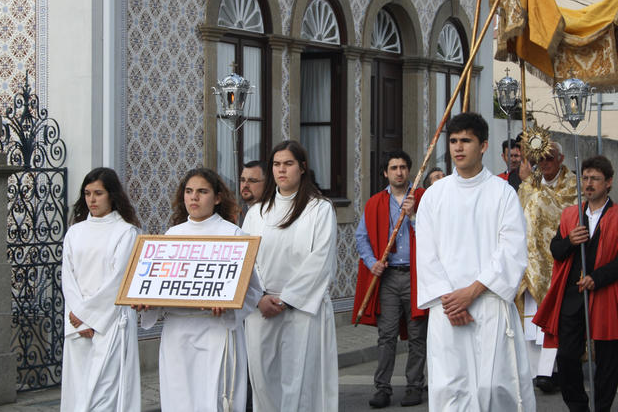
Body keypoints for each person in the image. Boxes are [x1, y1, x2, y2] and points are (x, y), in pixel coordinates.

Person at [415, 112, 535, 411]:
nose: (458, 147)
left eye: (466, 141)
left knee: (493, 386)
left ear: (483, 146)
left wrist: (471, 292)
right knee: (450, 388)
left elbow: (511, 250)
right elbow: (426, 253)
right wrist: (450, 301)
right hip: (447, 308)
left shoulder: (503, 193)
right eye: (453, 141)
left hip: (489, 302)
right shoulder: (434, 196)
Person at [534, 155, 618, 412]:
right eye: (585, 178)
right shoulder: (571, 215)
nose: (588, 183)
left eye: (595, 178)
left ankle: (602, 408)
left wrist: (598, 277)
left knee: (607, 360)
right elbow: (556, 250)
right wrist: (570, 241)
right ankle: (578, 407)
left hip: (607, 294)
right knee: (567, 356)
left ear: (608, 182)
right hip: (573, 295)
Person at [139, 167, 262, 412]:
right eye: (189, 191)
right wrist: (147, 301)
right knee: (178, 400)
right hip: (176, 333)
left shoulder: (233, 235)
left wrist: (229, 306)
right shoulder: (172, 235)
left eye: (202, 192)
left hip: (215, 331)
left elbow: (253, 290)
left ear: (217, 198)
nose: (194, 197)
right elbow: (160, 283)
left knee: (214, 399)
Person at [243, 140, 338, 412]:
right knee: (263, 380)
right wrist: (259, 297)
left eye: (288, 163)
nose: (281, 170)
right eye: (276, 164)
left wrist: (287, 299)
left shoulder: (319, 209)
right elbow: (247, 260)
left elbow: (320, 260)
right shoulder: (257, 212)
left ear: (302, 167)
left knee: (300, 381)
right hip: (262, 309)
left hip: (302, 309)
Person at [61, 167, 142, 412]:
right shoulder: (75, 232)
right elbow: (68, 278)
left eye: (98, 193)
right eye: (87, 194)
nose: (92, 200)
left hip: (111, 323)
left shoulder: (126, 232)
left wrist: (89, 316)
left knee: (104, 396)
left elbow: (119, 280)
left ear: (112, 195)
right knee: (78, 392)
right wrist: (80, 316)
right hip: (76, 324)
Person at [353, 150, 427, 408]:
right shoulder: (375, 202)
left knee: (417, 335)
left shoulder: (421, 198)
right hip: (388, 277)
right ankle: (382, 388)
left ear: (409, 170)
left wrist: (414, 216)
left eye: (403, 167)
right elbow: (361, 237)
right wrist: (371, 262)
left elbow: (434, 234)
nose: (399, 172)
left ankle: (414, 386)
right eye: (394, 168)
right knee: (387, 336)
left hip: (416, 276)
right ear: (385, 173)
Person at [516, 141, 577, 392]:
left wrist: (532, 187)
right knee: (532, 320)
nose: (545, 163)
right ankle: (535, 371)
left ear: (561, 158)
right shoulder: (528, 184)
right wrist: (528, 184)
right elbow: (520, 213)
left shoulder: (572, 184)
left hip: (557, 261)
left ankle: (552, 369)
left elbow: (562, 210)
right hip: (531, 263)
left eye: (550, 157)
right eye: (540, 158)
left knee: (554, 317)